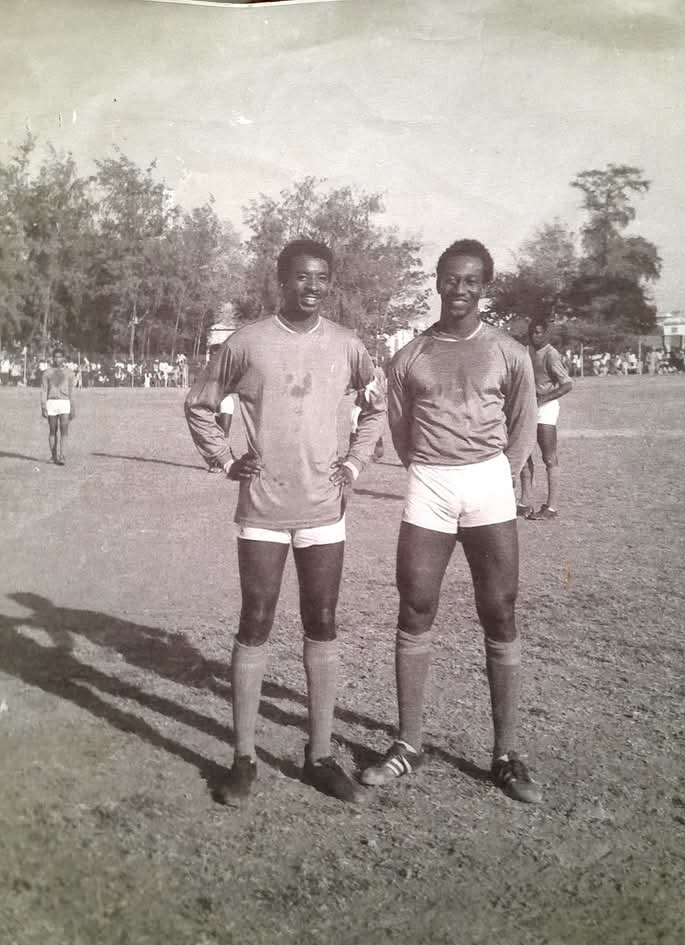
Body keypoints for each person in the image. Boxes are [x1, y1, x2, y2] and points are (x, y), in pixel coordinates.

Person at [185, 239, 386, 806]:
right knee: (256, 620)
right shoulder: (247, 343)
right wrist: (226, 461)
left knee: (322, 620)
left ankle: (319, 756)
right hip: (263, 508)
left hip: (324, 509)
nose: (312, 286)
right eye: (301, 276)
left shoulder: (349, 346)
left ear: (330, 282)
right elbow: (200, 404)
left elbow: (377, 406)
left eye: (322, 277)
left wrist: (352, 462)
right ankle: (243, 758)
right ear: (282, 280)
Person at [360, 238, 541, 804]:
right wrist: (430, 470)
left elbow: (524, 419)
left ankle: (506, 752)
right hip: (430, 486)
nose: (459, 289)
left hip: (488, 483)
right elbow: (398, 424)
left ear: (484, 287)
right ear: (437, 282)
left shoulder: (508, 351)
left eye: (471, 281)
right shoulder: (411, 354)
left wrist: (499, 475)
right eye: (450, 279)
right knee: (415, 605)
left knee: (500, 608)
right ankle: (410, 743)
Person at [517, 317, 573, 520]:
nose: (535, 336)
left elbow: (567, 384)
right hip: (528, 408)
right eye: (532, 332)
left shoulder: (551, 354)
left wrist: (544, 398)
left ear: (547, 334)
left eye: (539, 332)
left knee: (549, 457)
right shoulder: (526, 351)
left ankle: (551, 507)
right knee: (524, 455)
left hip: (546, 408)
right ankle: (524, 503)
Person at [41, 348, 76, 465]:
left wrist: (73, 406)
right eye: (55, 357)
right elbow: (44, 390)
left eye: (60, 357)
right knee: (52, 430)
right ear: (52, 358)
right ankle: (53, 456)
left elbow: (71, 391)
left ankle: (62, 456)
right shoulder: (47, 373)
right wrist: (43, 405)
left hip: (64, 402)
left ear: (64, 358)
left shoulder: (69, 373)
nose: (57, 359)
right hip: (51, 402)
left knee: (64, 430)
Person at [205, 344, 237, 474]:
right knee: (216, 434)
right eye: (211, 354)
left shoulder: (227, 368)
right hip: (213, 402)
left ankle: (226, 460)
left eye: (214, 353)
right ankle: (218, 461)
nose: (212, 356)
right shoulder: (209, 369)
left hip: (225, 401)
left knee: (224, 432)